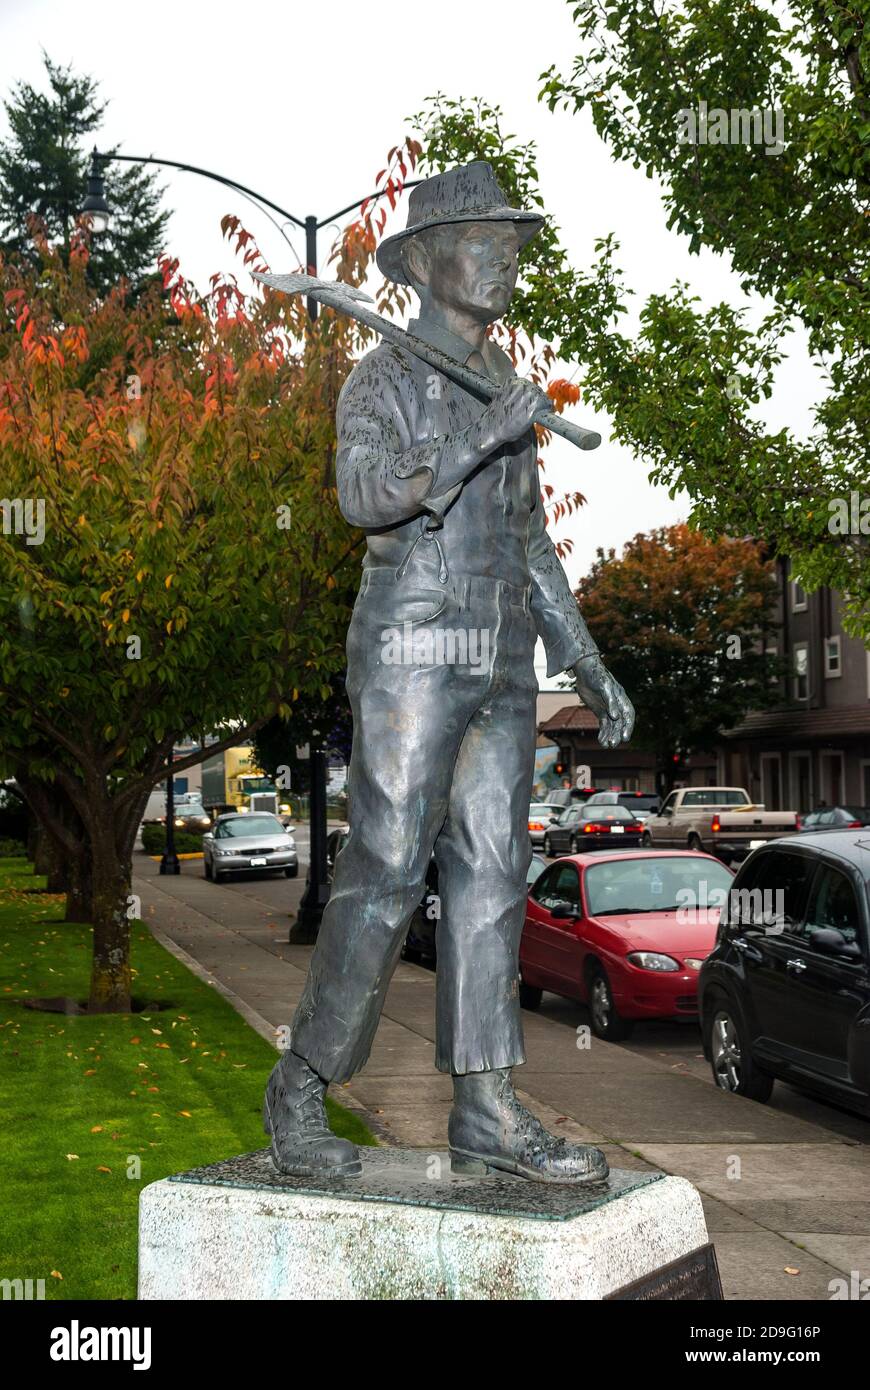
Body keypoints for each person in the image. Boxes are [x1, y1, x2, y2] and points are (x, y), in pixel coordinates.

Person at [264, 162, 634, 1183]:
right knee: (386, 864)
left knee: (493, 876)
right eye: (484, 242)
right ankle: (302, 1083)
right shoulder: (381, 377)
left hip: (502, 657)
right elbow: (363, 495)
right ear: (427, 262)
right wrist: (481, 435)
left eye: (512, 247)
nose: (505, 261)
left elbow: (531, 542)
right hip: (413, 647)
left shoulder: (503, 381)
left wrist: (584, 658)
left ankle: (485, 1107)